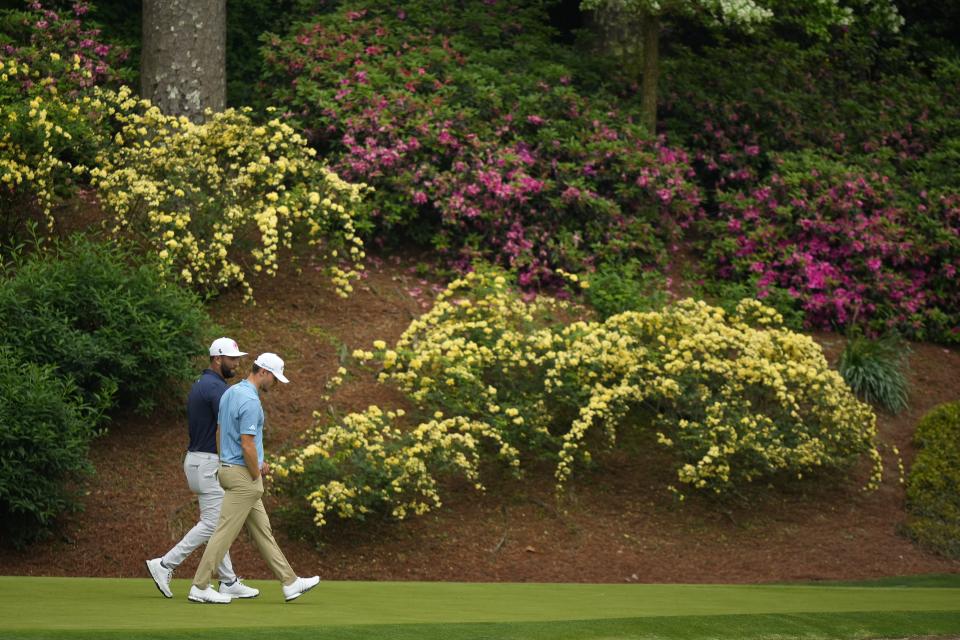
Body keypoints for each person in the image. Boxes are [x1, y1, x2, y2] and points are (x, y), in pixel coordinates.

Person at [188, 352, 320, 604]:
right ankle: (200, 586)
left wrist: (242, 462)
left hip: (228, 468)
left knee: (263, 531)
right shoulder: (250, 401)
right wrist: (254, 470)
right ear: (264, 373)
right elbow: (247, 443)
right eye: (275, 378)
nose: (276, 384)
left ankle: (290, 582)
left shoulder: (230, 393)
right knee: (223, 532)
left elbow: (220, 432)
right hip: (242, 476)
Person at [146, 338, 259, 600]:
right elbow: (231, 427)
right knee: (214, 524)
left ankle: (228, 580)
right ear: (217, 359)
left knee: (217, 522)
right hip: (207, 462)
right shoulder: (217, 389)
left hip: (199, 460)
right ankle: (165, 564)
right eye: (232, 359)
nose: (237, 364)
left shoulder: (205, 384)